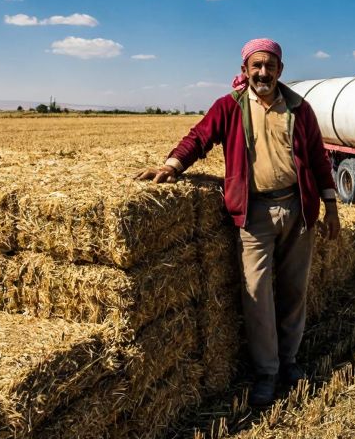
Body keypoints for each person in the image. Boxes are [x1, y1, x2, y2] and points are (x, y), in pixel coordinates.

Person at [136, 38, 341, 408]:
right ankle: (266, 371)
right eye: (256, 66)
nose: (263, 72)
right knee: (257, 295)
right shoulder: (230, 107)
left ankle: (290, 363)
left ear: (281, 69)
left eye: (270, 66)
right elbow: (200, 137)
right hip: (254, 214)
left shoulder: (299, 108)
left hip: (297, 209)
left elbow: (318, 158)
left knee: (295, 291)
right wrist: (171, 166)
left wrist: (331, 208)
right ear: (245, 69)